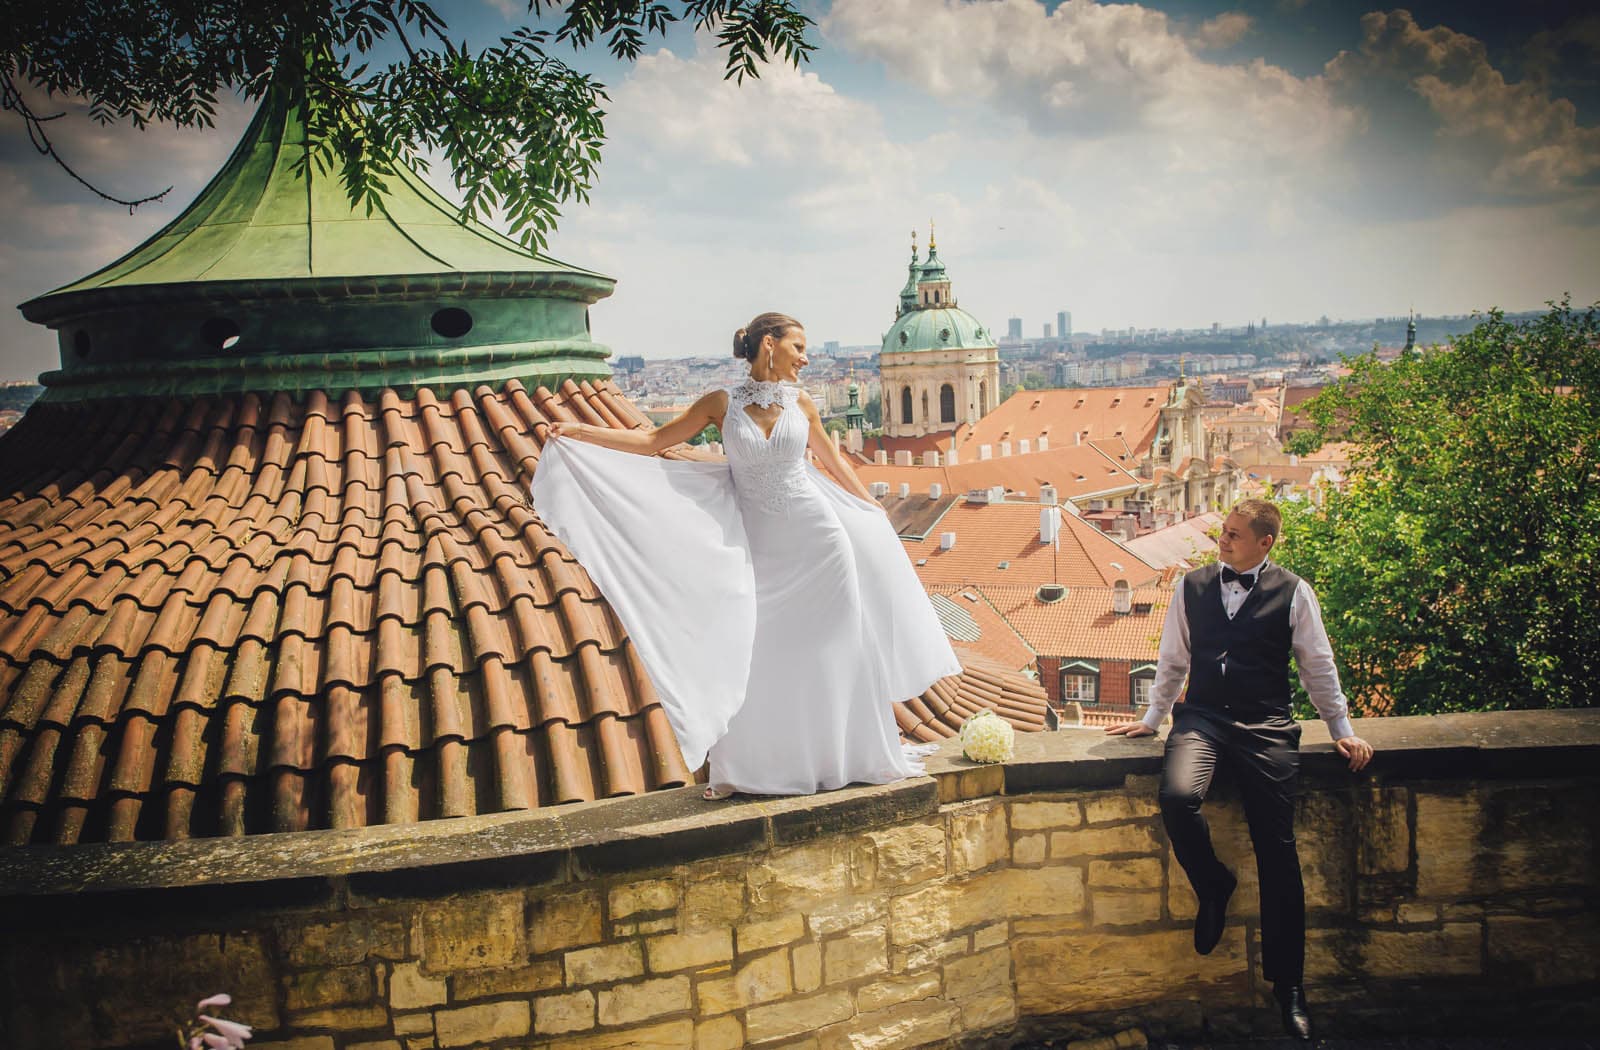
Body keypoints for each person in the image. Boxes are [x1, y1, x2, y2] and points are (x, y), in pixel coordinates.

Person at [530, 312, 961, 800]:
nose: (806, 358)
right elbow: (653, 442)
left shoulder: (803, 403)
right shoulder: (720, 403)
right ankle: (767, 765)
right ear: (769, 344)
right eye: (799, 347)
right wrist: (579, 433)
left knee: (837, 649)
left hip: (820, 540)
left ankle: (849, 754)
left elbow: (833, 462)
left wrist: (870, 508)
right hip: (762, 546)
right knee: (760, 652)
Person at [1105, 499, 1374, 1042]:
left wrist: (1342, 728)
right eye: (1222, 533)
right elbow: (1173, 659)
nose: (1222, 542)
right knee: (1179, 799)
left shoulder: (1295, 593)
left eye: (1232, 535)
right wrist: (1153, 719)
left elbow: (1317, 665)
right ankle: (1213, 884)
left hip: (1265, 725)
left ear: (1264, 542)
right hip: (1202, 720)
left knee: (1278, 850)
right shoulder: (1192, 586)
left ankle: (1289, 987)